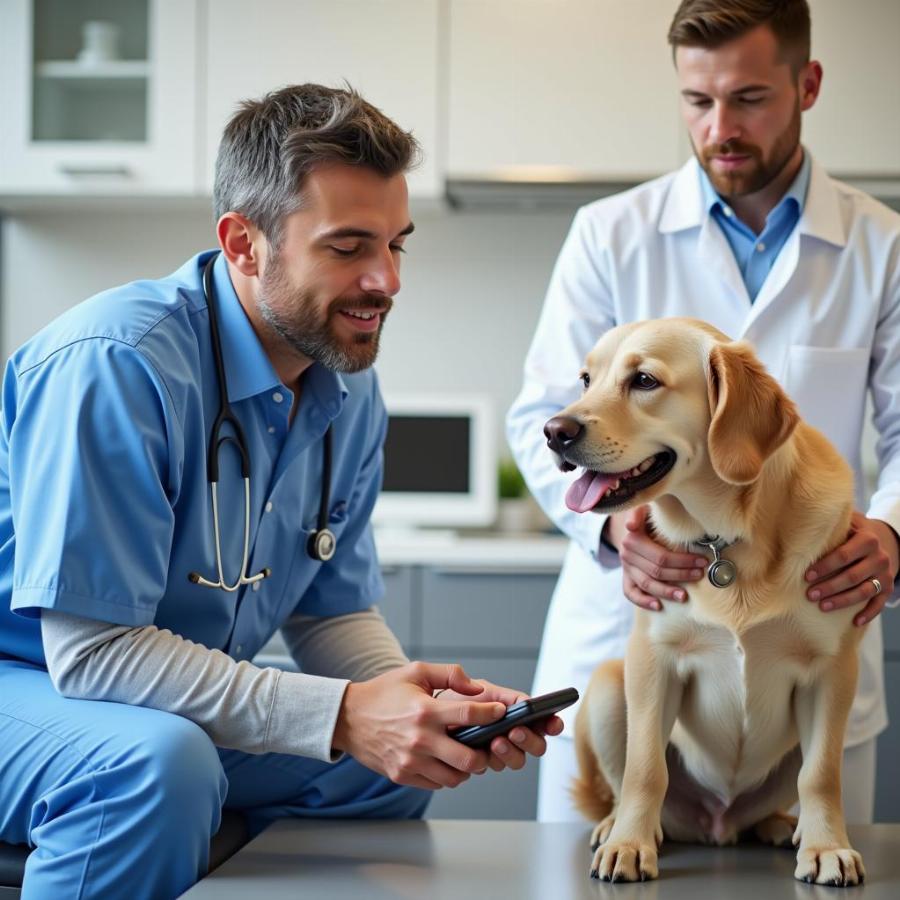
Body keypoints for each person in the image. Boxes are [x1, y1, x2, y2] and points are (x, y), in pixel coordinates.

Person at [0, 83, 561, 900]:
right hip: (32, 681)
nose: (387, 280)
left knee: (394, 770)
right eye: (348, 247)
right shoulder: (117, 364)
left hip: (150, 697)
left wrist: (402, 703)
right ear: (244, 243)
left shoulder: (347, 387)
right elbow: (94, 652)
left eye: (398, 245)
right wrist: (341, 714)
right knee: (158, 768)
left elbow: (328, 609)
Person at [507, 0, 900, 825]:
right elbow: (546, 415)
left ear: (808, 84)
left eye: (750, 98)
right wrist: (615, 531)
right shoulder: (609, 233)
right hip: (637, 634)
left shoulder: (882, 247)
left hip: (806, 636)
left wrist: (891, 531)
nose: (720, 125)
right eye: (697, 100)